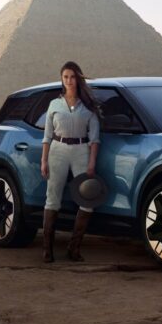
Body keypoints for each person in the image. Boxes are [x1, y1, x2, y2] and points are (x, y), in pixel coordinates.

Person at [41, 61, 101, 263]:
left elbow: (94, 139)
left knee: (88, 200)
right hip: (57, 150)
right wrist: (44, 161)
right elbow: (47, 136)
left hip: (81, 151)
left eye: (72, 77)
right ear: (62, 79)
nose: (69, 81)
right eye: (65, 77)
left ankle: (73, 248)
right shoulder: (54, 105)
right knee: (53, 198)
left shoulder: (89, 108)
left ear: (78, 78)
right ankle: (47, 250)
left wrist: (92, 163)